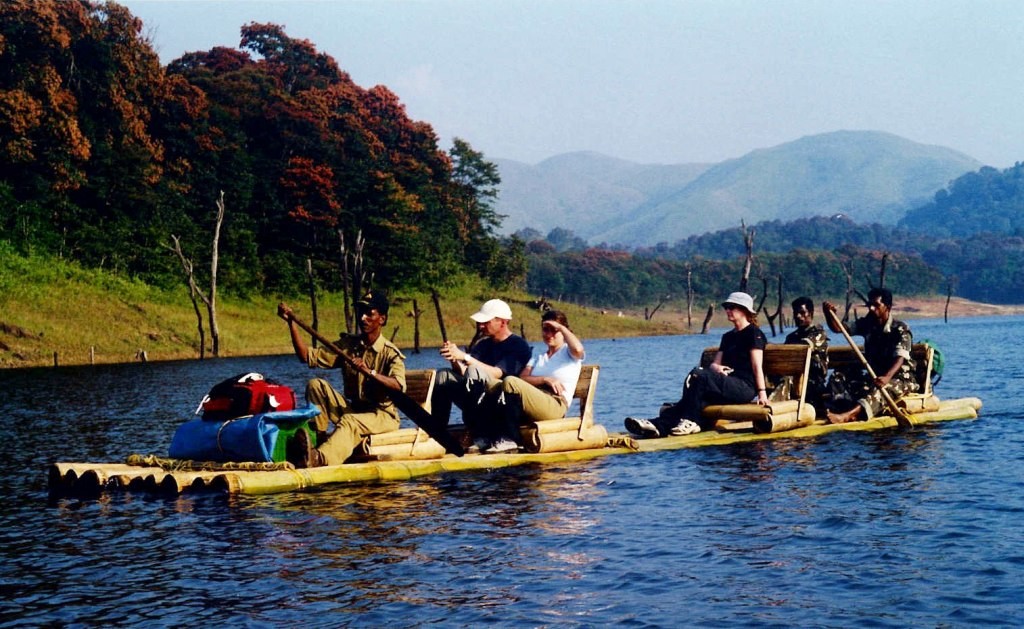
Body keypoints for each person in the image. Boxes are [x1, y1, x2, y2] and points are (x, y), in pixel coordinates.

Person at [277, 292, 406, 467]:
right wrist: (291, 324)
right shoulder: (349, 346)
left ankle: (319, 459)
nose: (362, 318)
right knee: (316, 385)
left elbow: (398, 385)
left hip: (382, 416)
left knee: (349, 422)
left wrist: (370, 372)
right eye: (361, 312)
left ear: (382, 319)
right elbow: (306, 356)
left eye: (369, 313)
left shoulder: (390, 353)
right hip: (355, 410)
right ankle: (318, 440)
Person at [625, 291, 769, 438]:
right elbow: (714, 365)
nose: (727, 310)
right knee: (694, 387)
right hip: (723, 386)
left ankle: (691, 421)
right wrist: (716, 368)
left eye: (731, 307)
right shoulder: (728, 337)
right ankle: (658, 426)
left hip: (744, 387)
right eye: (726, 307)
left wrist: (762, 393)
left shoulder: (753, 333)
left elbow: (757, 366)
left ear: (743, 310)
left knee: (698, 375)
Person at [432, 298, 532, 452]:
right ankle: (437, 432)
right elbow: (466, 374)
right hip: (475, 397)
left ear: (503, 322)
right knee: (443, 375)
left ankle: (479, 434)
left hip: (500, 401)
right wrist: (454, 359)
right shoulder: (483, 344)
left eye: (486, 322)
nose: (481, 326)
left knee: (473, 370)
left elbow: (497, 373)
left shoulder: (518, 346)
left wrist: (465, 357)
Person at [488, 310, 586, 452]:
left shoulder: (569, 353)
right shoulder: (539, 356)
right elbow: (522, 378)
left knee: (509, 381)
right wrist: (544, 379)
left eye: (554, 330)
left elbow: (578, 348)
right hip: (535, 401)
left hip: (555, 404)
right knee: (491, 384)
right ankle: (488, 434)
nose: (549, 334)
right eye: (545, 330)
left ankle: (511, 439)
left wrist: (562, 328)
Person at [823, 288, 918, 424]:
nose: (872, 309)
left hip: (900, 378)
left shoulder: (900, 329)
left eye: (876, 305)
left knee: (881, 389)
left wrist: (887, 377)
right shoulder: (868, 323)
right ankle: (840, 407)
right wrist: (829, 314)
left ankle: (848, 416)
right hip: (875, 376)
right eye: (870, 305)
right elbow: (840, 328)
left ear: (888, 307)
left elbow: (900, 358)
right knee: (839, 376)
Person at [784, 296, 829, 413]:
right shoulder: (791, 337)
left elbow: (805, 346)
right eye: (796, 313)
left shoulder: (819, 333)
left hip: (813, 383)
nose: (798, 316)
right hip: (793, 380)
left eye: (802, 312)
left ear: (811, 313)